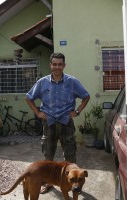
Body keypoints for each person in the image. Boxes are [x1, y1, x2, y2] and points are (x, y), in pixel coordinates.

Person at [25, 52, 90, 194]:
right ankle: (49, 183)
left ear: (64, 66)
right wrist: (38, 113)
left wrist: (77, 112)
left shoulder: (72, 82)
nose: (57, 67)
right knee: (48, 156)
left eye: (60, 64)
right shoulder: (42, 82)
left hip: (66, 122)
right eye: (54, 64)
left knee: (70, 156)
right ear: (50, 65)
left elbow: (86, 96)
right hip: (49, 122)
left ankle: (74, 185)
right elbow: (29, 97)